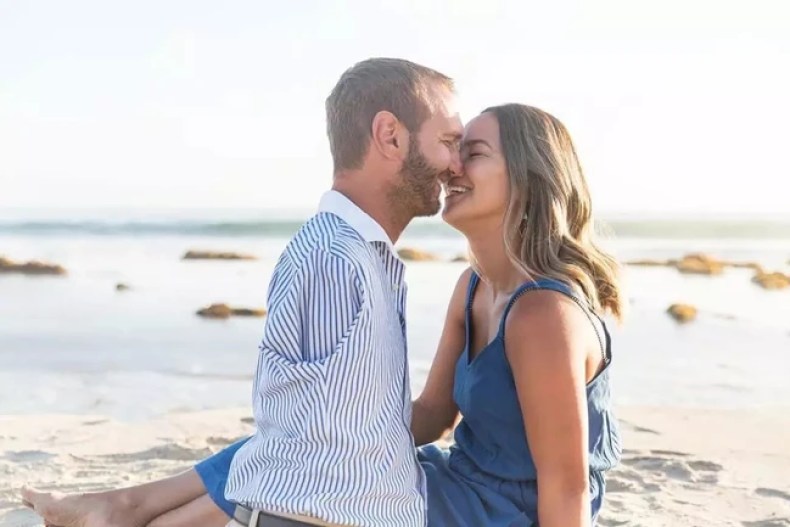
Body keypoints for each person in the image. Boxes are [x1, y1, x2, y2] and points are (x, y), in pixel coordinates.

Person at [24, 97, 625, 526]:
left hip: (496, 515)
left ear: (527, 177)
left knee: (313, 450)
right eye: (455, 150)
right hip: (453, 482)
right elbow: (431, 417)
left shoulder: (543, 313)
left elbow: (566, 486)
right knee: (314, 439)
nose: (452, 168)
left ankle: (128, 510)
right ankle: (130, 509)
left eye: (474, 154)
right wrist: (323, 439)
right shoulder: (472, 287)